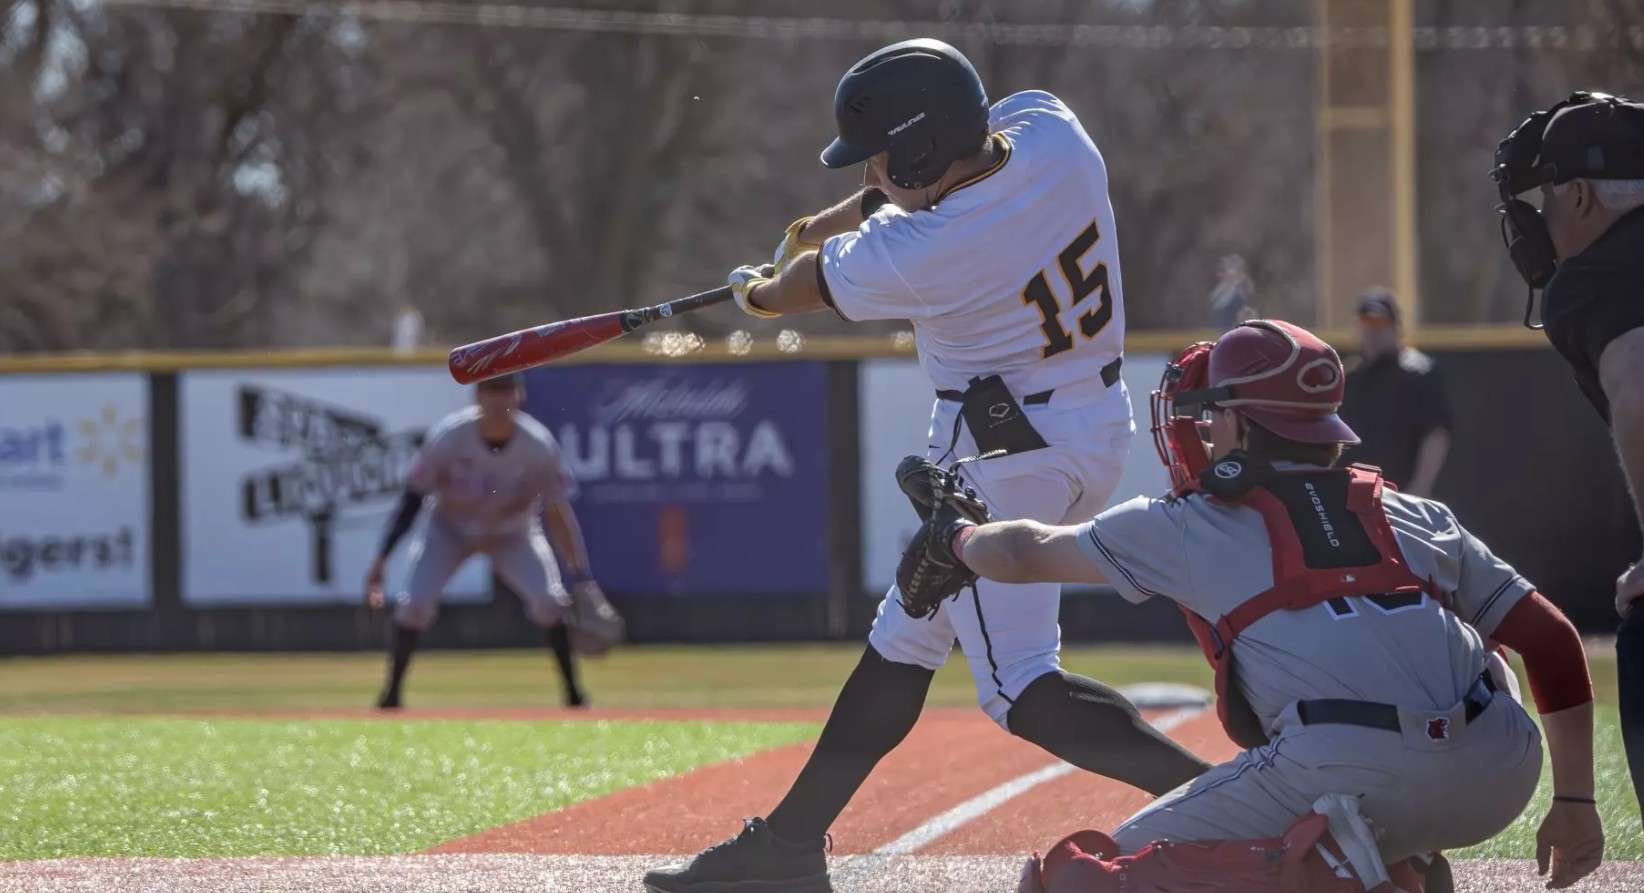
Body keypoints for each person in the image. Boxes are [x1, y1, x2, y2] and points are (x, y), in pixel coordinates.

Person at [645, 38, 1209, 893]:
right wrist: (833, 221)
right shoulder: (1054, 131)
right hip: (1086, 421)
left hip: (1006, 453)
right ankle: (791, 843)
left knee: (1020, 688)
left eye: (880, 153)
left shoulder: (924, 251)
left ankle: (1223, 804)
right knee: (905, 635)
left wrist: (757, 289)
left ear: (917, 148)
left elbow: (802, 291)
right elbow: (910, 185)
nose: (870, 168)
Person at [897, 320, 1604, 893]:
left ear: (1241, 422)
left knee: (1078, 876)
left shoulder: (1193, 524)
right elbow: (1552, 638)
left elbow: (1022, 552)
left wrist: (957, 534)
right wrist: (1575, 804)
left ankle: (1351, 873)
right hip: (1500, 774)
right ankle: (1395, 864)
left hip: (1344, 767)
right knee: (1493, 643)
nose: (1204, 432)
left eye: (1214, 417)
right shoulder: (1412, 510)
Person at [1495, 91, 1644, 812]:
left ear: (1580, 194)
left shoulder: (1594, 279)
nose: (1538, 220)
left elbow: (1640, 391)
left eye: (1546, 199)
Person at [365, 373, 621, 710]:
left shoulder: (537, 445)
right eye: (491, 391)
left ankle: (573, 694)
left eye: (506, 390)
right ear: (477, 398)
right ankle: (391, 694)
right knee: (413, 604)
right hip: (449, 529)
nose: (499, 400)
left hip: (512, 533)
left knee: (549, 601)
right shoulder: (450, 436)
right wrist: (383, 558)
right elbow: (412, 500)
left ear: (519, 396)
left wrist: (581, 572)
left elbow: (558, 512)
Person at [1337, 289, 1452, 496]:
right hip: (1357, 496)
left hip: (1403, 496)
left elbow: (1436, 435)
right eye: (1366, 324)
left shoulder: (1419, 372)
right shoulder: (1351, 376)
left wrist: (1419, 489)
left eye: (1380, 324)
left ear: (1396, 328)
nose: (1372, 332)